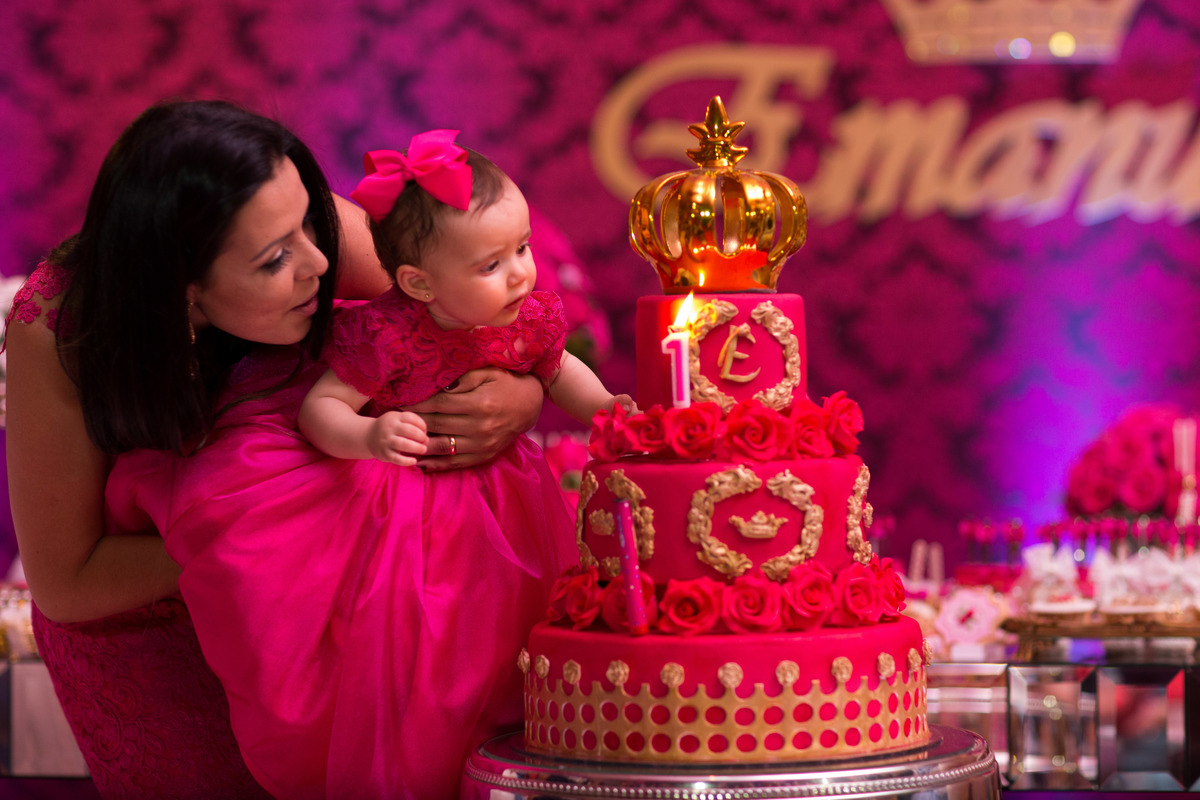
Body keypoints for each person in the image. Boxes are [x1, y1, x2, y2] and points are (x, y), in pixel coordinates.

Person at [5, 100, 550, 799]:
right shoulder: (60, 328)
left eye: (309, 223)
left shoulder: (320, 236)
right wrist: (257, 532)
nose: (319, 261)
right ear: (185, 294)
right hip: (157, 647)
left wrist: (518, 397)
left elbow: (491, 330)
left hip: (354, 626)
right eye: (274, 259)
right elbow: (68, 583)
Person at [298, 129, 632, 463]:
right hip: (407, 487)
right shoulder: (388, 335)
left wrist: (600, 407)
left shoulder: (527, 320)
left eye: (521, 247)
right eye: (490, 266)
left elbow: (559, 371)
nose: (519, 274)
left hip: (498, 481)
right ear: (419, 284)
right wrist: (368, 436)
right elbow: (322, 407)